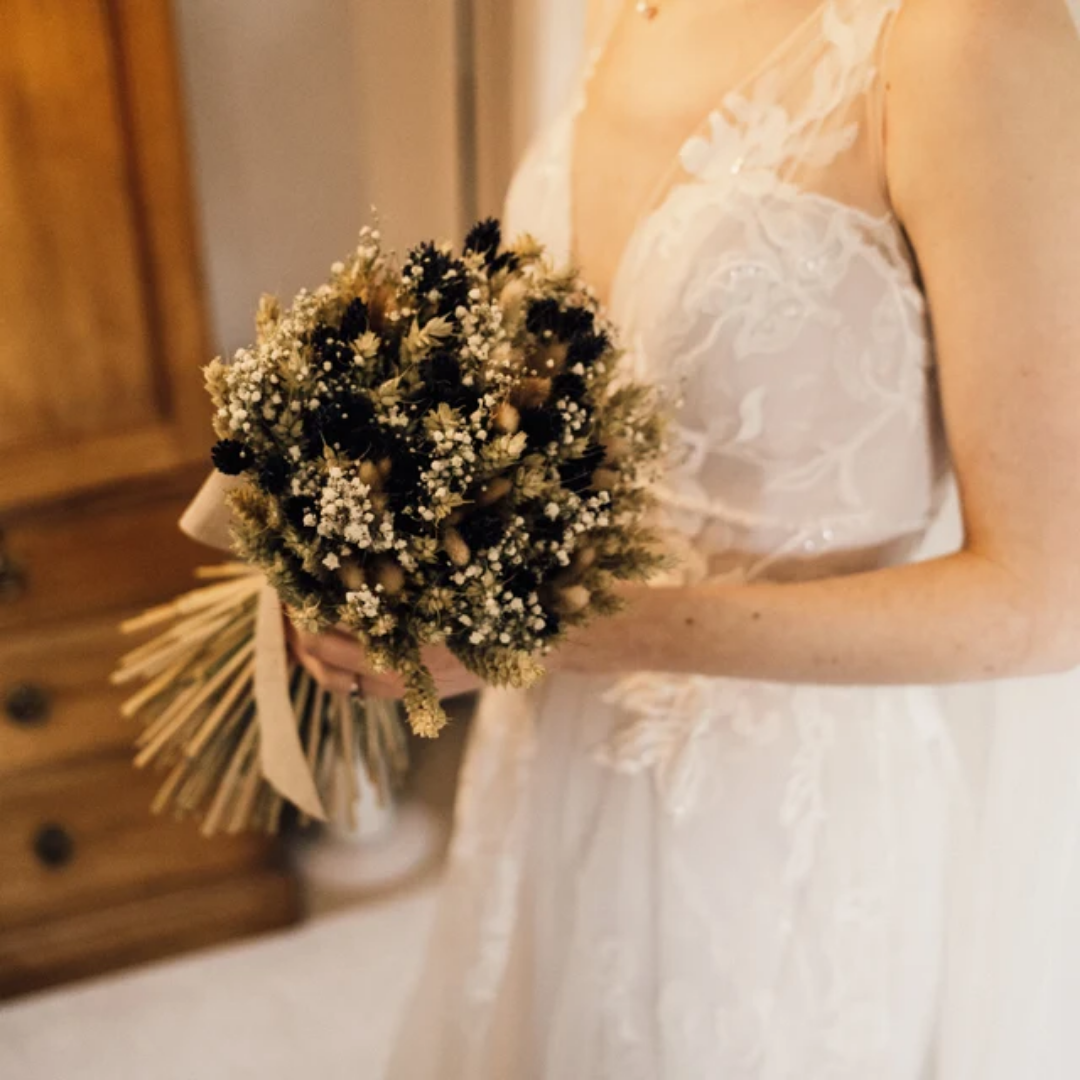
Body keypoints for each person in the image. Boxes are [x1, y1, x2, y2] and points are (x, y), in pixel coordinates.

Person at [284, 0, 1080, 1075]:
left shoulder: (972, 39)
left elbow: (1045, 600)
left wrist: (563, 631)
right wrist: (395, 531)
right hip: (555, 755)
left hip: (786, 818)